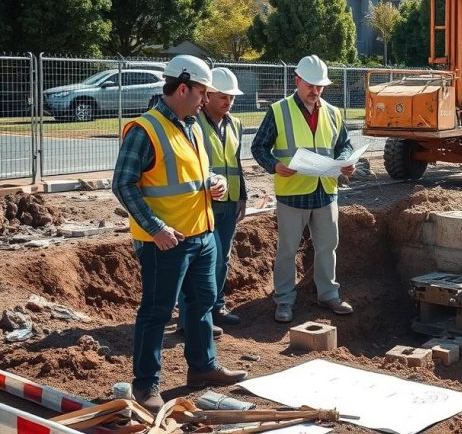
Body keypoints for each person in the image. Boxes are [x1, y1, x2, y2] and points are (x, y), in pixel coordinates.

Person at [112, 55, 247, 413]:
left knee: (201, 305)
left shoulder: (191, 126)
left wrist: (213, 182)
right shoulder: (145, 129)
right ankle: (146, 385)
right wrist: (155, 229)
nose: (206, 100)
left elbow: (192, 176)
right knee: (156, 312)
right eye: (202, 92)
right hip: (166, 242)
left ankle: (203, 367)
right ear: (182, 88)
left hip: (201, 234)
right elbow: (123, 184)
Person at [251, 54, 353, 323]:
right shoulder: (279, 110)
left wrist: (345, 161)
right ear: (297, 80)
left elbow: (345, 144)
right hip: (292, 191)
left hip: (325, 190)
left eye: (319, 86)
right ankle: (284, 300)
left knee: (327, 246)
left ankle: (328, 294)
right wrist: (274, 165)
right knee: (287, 249)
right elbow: (258, 147)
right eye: (310, 84)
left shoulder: (333, 112)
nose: (315, 90)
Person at [177, 67, 247, 329]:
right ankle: (191, 318)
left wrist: (242, 195)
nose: (228, 102)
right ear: (207, 96)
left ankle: (216, 308)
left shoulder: (235, 124)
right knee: (201, 260)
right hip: (202, 203)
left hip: (229, 203)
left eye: (232, 97)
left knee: (223, 258)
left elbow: (236, 162)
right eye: (223, 97)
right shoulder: (194, 125)